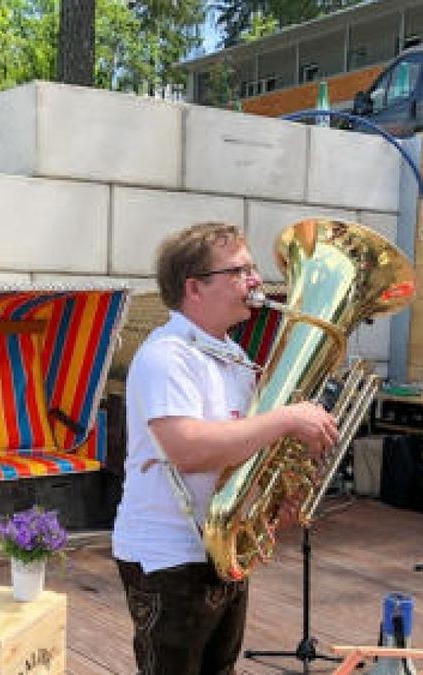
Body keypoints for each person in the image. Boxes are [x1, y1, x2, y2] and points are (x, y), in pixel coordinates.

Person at [111, 221, 340, 675]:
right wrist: (286, 418)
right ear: (195, 287)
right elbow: (188, 449)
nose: (255, 282)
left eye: (252, 269)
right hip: (169, 557)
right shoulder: (168, 355)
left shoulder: (232, 356)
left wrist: (271, 503)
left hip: (219, 548)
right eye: (239, 271)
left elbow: (240, 454)